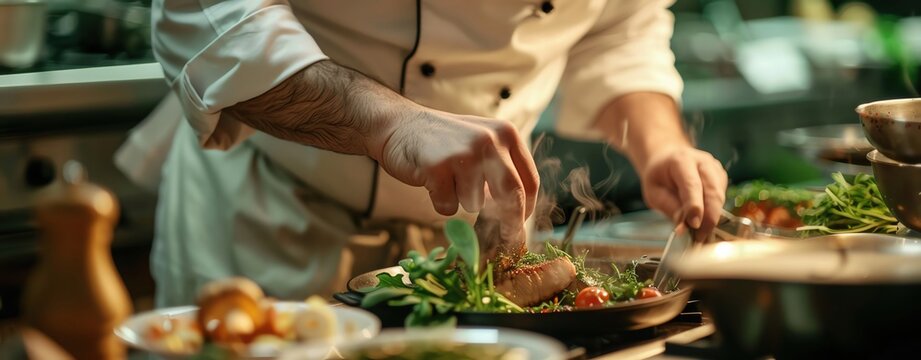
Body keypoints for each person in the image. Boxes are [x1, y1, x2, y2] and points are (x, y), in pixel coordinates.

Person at [122, 0, 728, 307]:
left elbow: (618, 28)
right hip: (266, 224)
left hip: (471, 247)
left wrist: (661, 145)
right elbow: (208, 15)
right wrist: (391, 123)